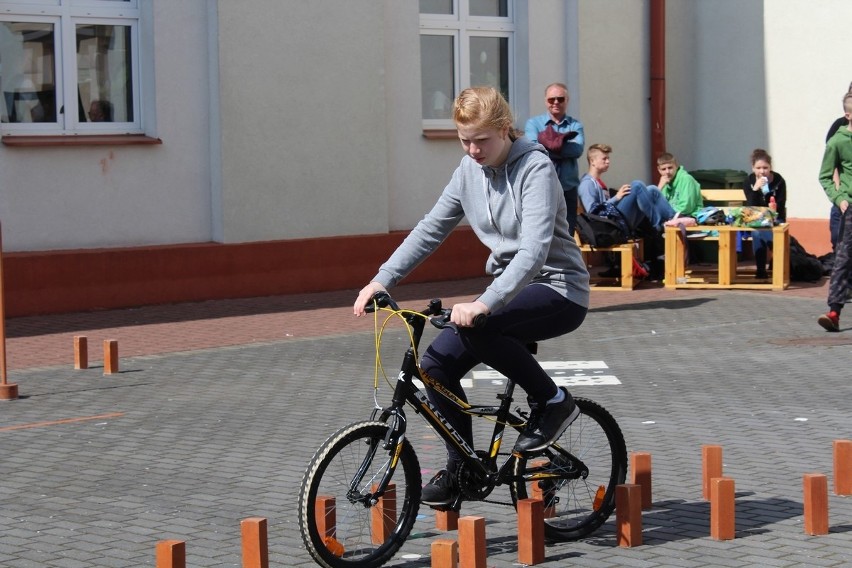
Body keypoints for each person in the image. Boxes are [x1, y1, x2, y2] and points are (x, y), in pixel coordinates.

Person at [353, 86, 591, 505]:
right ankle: (460, 465)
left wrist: (484, 303)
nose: (473, 150)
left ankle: (553, 401)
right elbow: (431, 229)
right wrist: (383, 278)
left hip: (558, 288)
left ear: (505, 129)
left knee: (481, 326)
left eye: (482, 140)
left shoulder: (535, 168)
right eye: (465, 140)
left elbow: (534, 251)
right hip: (507, 292)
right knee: (435, 366)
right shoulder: (467, 172)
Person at [524, 82, 585, 235]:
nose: (556, 102)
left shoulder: (575, 125)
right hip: (542, 185)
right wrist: (562, 144)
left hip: (568, 188)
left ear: (567, 100)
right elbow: (534, 149)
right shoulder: (533, 124)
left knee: (567, 232)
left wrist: (547, 143)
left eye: (560, 99)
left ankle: (565, 260)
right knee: (542, 231)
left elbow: (577, 150)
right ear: (546, 101)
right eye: (552, 99)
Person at [578, 143, 676, 232]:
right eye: (604, 159)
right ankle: (657, 226)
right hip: (610, 227)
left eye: (608, 158)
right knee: (637, 185)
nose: (608, 161)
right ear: (592, 161)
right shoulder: (587, 184)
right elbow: (592, 213)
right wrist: (617, 198)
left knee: (652, 190)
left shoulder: (598, 182)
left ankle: (674, 218)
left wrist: (618, 199)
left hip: (614, 220)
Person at [818, 92, 852, 332]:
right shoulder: (837, 142)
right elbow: (825, 176)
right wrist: (839, 198)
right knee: (843, 258)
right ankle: (834, 312)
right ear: (848, 115)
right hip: (850, 207)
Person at [742, 148, 787, 280]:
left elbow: (781, 204)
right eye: (758, 168)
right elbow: (750, 206)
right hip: (755, 219)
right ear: (753, 168)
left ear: (770, 167)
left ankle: (767, 267)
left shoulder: (778, 180)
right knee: (757, 231)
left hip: (775, 218)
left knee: (762, 231)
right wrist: (755, 189)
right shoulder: (749, 181)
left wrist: (773, 210)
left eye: (765, 167)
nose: (762, 171)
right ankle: (764, 268)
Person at [655, 152, 704, 218]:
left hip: (690, 218)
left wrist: (664, 213)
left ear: (676, 166)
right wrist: (659, 188)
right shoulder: (664, 182)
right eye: (663, 169)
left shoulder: (686, 179)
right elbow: (656, 205)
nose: (667, 172)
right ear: (659, 170)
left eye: (670, 168)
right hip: (672, 218)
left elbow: (687, 207)